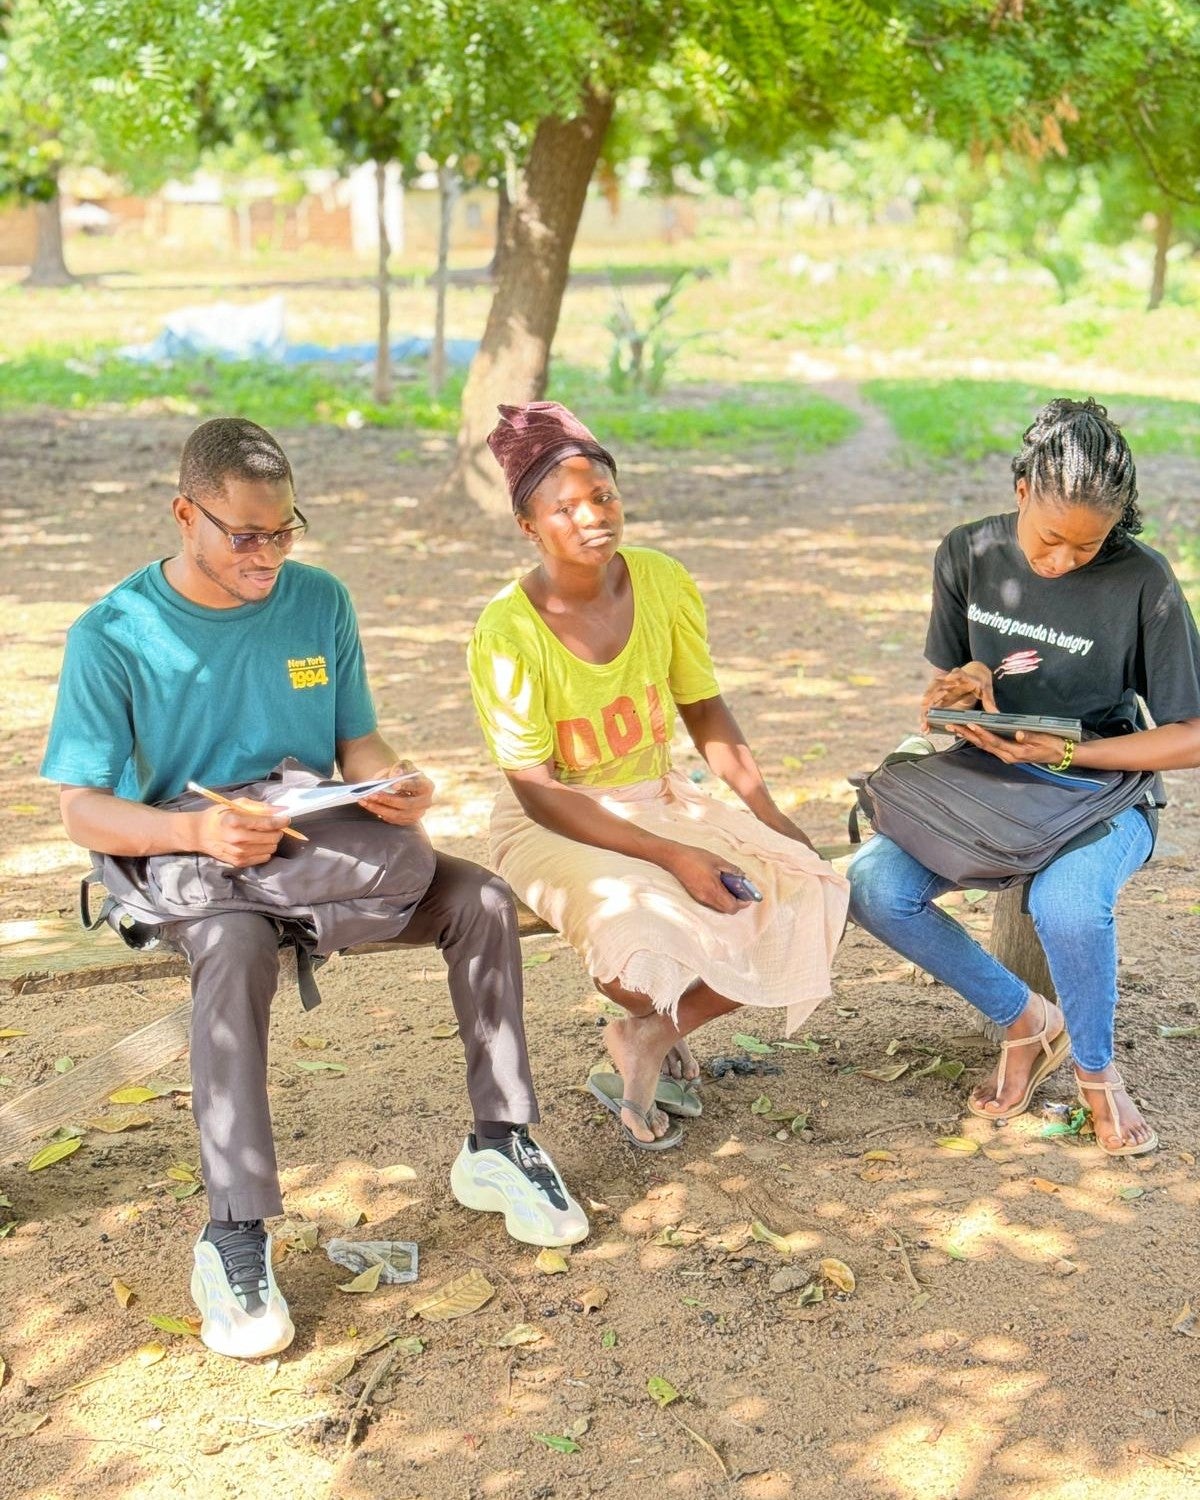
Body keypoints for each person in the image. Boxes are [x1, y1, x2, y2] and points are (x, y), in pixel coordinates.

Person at [40, 417, 587, 1361]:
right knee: (237, 946)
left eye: (284, 532)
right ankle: (235, 1235)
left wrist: (392, 781)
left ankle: (499, 1143)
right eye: (245, 535)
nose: (268, 555)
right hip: (195, 860)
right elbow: (83, 811)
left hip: (311, 845)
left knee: (481, 900)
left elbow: (355, 743)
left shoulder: (318, 600)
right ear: (185, 515)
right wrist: (197, 831)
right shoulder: (115, 634)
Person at [467, 402, 849, 1150]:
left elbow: (705, 709)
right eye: (565, 508)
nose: (592, 518)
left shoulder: (663, 582)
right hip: (555, 817)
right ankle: (649, 1016)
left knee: (812, 886)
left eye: (603, 497)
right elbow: (536, 790)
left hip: (660, 797)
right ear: (528, 526)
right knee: (640, 960)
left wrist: (766, 813)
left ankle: (646, 1041)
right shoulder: (505, 634)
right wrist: (676, 856)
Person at [849, 397, 1200, 1156]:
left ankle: (1097, 1072)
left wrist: (1071, 754)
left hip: (1100, 789)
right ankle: (1027, 1021)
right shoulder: (967, 554)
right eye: (1049, 541)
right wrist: (961, 686)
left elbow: (1189, 738)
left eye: (1086, 548)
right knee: (871, 887)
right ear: (1020, 494)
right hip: (988, 777)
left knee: (1067, 906)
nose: (1061, 562)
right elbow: (953, 683)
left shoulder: (1145, 581)